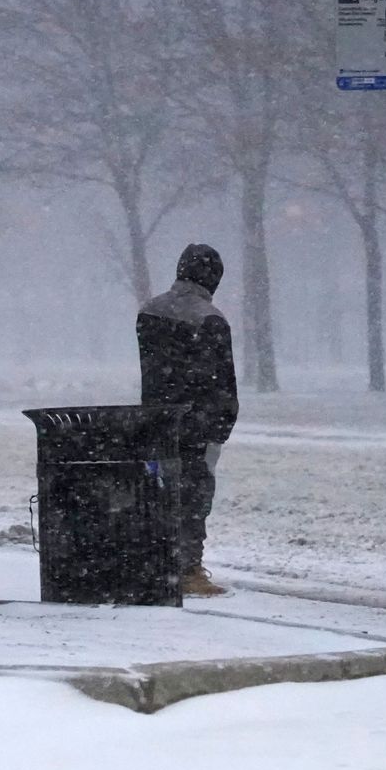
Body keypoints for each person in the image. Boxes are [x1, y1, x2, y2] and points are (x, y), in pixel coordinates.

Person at [136, 243, 240, 598]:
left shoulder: (150, 311)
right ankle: (189, 569)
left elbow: (155, 372)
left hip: (157, 420)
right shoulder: (209, 318)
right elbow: (221, 380)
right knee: (195, 496)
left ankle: (160, 563)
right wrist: (222, 424)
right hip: (197, 424)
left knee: (161, 492)